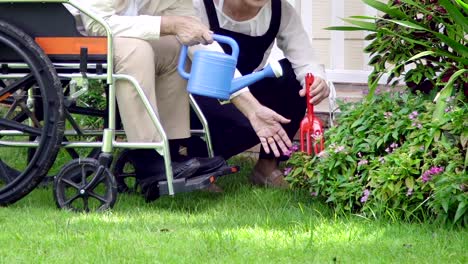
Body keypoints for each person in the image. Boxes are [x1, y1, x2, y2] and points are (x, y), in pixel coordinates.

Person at [71, 0, 231, 198]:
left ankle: (173, 153)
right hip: (75, 34)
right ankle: (148, 158)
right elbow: (96, 24)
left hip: (119, 35)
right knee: (137, 50)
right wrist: (168, 24)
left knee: (174, 48)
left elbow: (192, 34)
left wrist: (239, 92)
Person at [183, 0, 331, 188]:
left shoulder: (280, 10)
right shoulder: (198, 5)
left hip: (244, 92)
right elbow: (215, 66)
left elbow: (305, 59)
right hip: (199, 97)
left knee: (291, 77)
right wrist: (252, 109)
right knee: (246, 124)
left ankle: (267, 166)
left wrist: (316, 81)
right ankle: (202, 164)